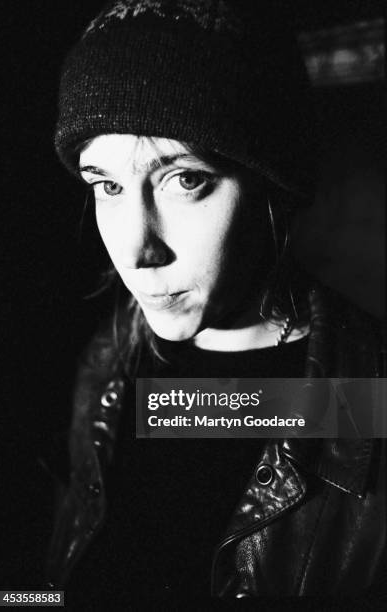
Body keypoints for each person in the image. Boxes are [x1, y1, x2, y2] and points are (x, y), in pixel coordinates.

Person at [46, 0, 386, 603]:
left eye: (185, 179)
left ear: (271, 186)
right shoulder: (108, 357)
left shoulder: (367, 399)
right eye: (107, 185)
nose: (137, 249)